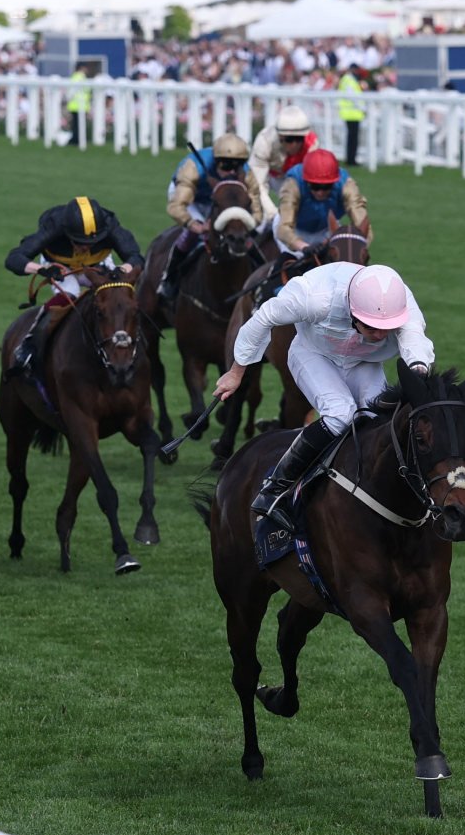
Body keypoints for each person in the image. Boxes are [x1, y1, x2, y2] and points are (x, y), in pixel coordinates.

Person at [215, 262, 432, 566]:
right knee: (341, 414)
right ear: (353, 312)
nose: (379, 335)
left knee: (378, 423)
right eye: (371, 327)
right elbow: (262, 317)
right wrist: (236, 373)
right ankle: (275, 487)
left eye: (386, 330)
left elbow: (416, 348)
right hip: (311, 353)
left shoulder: (402, 304)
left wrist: (419, 375)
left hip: (362, 362)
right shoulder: (314, 297)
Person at [3, 196, 143, 375]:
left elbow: (136, 257)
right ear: (67, 233)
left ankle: (133, 346)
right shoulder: (54, 226)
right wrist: (43, 269)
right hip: (61, 267)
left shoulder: (110, 227)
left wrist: (121, 269)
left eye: (91, 242)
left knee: (118, 298)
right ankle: (29, 344)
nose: (85, 247)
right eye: (79, 242)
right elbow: (14, 258)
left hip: (96, 265)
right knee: (70, 293)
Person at [158, 134, 265, 308]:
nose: (231, 171)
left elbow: (257, 208)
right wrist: (195, 225)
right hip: (190, 197)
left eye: (237, 166)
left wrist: (248, 225)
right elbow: (177, 206)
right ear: (215, 161)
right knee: (192, 234)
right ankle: (169, 279)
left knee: (240, 233)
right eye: (226, 165)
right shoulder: (193, 167)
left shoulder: (246, 173)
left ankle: (263, 276)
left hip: (224, 198)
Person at [273, 148, 370, 257]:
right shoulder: (293, 184)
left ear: (335, 181)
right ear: (306, 181)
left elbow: (363, 224)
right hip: (294, 229)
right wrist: (304, 247)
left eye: (327, 187)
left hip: (325, 229)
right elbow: (283, 229)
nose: (320, 193)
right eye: (315, 187)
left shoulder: (346, 185)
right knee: (297, 262)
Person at [250, 104, 316, 202]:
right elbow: (259, 184)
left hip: (292, 175)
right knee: (255, 196)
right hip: (269, 173)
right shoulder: (264, 141)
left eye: (299, 139)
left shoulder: (312, 144)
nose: (295, 145)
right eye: (289, 140)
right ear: (280, 136)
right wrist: (270, 212)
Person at [337, 68, 367, 164]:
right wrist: (363, 108)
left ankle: (350, 159)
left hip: (349, 113)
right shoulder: (350, 80)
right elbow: (354, 97)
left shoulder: (346, 80)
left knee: (351, 138)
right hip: (353, 113)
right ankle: (351, 160)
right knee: (353, 139)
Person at [66, 63, 93, 146]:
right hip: (78, 105)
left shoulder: (76, 77)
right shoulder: (80, 77)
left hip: (77, 105)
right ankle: (75, 140)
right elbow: (72, 92)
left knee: (76, 125)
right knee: (78, 126)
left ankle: (75, 140)